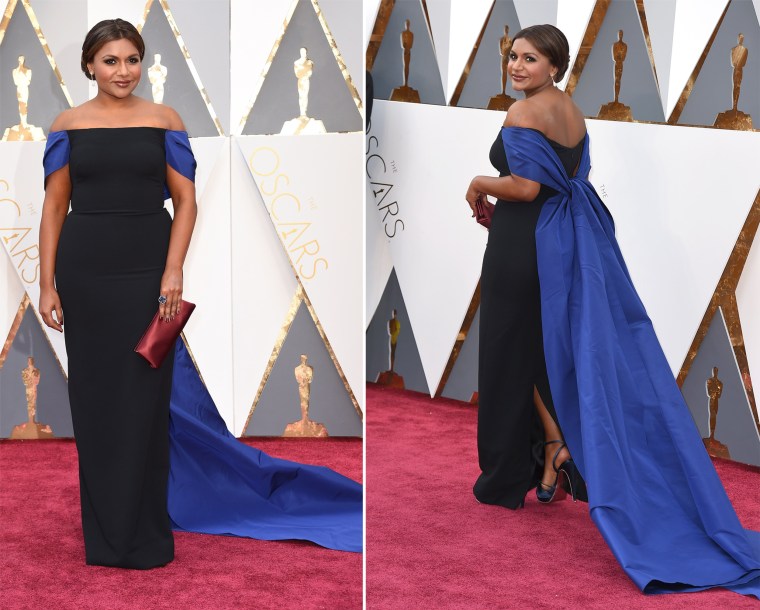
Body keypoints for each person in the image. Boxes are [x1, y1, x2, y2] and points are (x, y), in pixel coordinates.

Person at [39, 18, 361, 570]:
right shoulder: (67, 125)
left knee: (143, 400)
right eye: (111, 61)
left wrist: (173, 272)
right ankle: (106, 536)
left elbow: (185, 201)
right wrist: (47, 283)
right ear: (90, 66)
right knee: (93, 403)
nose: (123, 71)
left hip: (146, 271)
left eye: (132, 59)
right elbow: (53, 208)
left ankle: (144, 533)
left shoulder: (166, 121)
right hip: (85, 272)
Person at [465, 24, 759, 598]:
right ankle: (554, 445)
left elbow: (524, 187)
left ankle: (509, 475)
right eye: (513, 57)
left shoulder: (523, 115)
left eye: (531, 59)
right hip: (558, 238)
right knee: (538, 349)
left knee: (508, 350)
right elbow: (558, 182)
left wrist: (478, 182)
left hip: (523, 243)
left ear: (555, 66)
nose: (517, 67)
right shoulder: (570, 110)